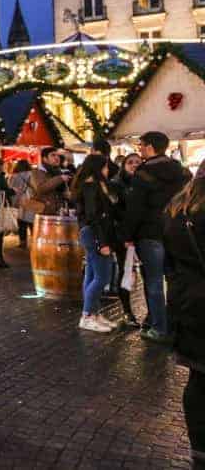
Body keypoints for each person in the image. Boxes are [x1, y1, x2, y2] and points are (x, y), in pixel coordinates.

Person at [121, 131, 192, 344]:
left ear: (150, 147)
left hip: (150, 233)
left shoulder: (143, 173)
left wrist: (127, 235)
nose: (139, 148)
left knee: (153, 282)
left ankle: (159, 328)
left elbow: (135, 208)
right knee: (174, 280)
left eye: (141, 145)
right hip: (175, 232)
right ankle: (174, 325)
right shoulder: (181, 171)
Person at [162, 170, 205, 469]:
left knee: (198, 378)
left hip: (188, 302)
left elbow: (169, 264)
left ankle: (199, 447)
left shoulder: (175, 209)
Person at [72, 154, 120, 333]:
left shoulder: (93, 184)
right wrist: (102, 242)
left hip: (91, 233)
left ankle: (93, 312)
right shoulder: (91, 186)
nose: (108, 170)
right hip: (95, 234)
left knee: (92, 276)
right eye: (105, 167)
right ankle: (87, 316)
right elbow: (94, 217)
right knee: (102, 277)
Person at [111, 153, 144, 328]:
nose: (134, 165)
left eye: (138, 162)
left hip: (144, 234)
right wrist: (127, 235)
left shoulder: (145, 183)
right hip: (124, 236)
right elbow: (116, 212)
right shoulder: (117, 184)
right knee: (127, 271)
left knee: (145, 273)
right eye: (130, 162)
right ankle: (127, 311)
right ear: (123, 165)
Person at [25, 147, 71, 218]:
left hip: (57, 212)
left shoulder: (58, 172)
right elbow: (41, 188)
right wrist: (60, 178)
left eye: (57, 155)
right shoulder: (38, 172)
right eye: (53, 155)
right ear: (45, 159)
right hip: (42, 213)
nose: (57, 158)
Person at [8, 159, 34, 249]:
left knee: (21, 222)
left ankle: (23, 242)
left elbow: (12, 191)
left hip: (21, 201)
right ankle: (35, 241)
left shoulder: (15, 176)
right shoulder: (33, 174)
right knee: (32, 222)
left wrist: (13, 203)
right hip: (32, 201)